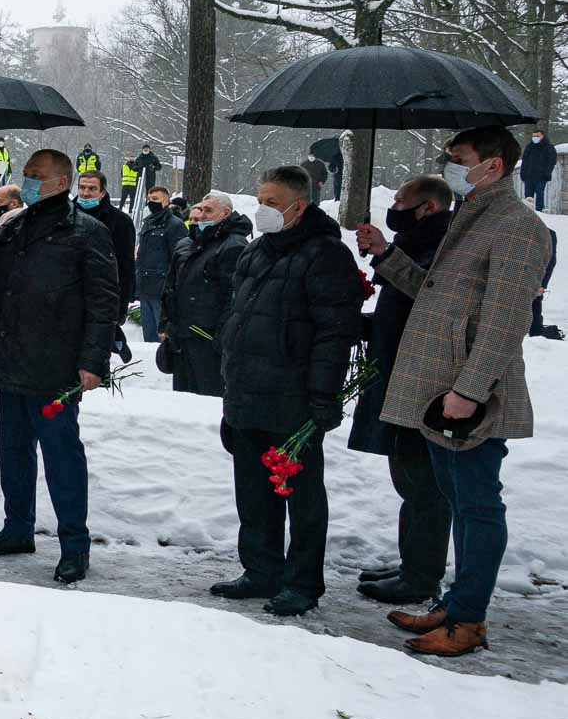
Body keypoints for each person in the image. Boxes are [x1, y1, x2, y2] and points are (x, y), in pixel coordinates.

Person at [357, 126, 553, 657]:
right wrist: (387, 256)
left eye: (459, 159)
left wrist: (468, 390)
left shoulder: (517, 227)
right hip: (436, 388)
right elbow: (437, 296)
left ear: (491, 166)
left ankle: (468, 621)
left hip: (469, 395)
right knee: (456, 501)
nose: (451, 167)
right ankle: (454, 600)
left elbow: (504, 321)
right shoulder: (472, 218)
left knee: (477, 506)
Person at [0, 150, 120, 584]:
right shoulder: (18, 226)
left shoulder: (86, 231)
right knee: (13, 450)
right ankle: (17, 528)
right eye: (24, 174)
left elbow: (104, 302)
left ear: (61, 180)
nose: (26, 181)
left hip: (56, 364)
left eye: (35, 175)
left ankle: (74, 544)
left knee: (62, 455)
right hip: (12, 357)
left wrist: (92, 360)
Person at [214, 165, 364, 617]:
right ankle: (261, 570)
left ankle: (302, 582)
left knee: (300, 496)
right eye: (260, 200)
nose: (263, 210)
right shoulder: (256, 251)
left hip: (293, 398)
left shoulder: (325, 255)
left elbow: (334, 334)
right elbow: (238, 318)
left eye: (273, 203)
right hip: (247, 394)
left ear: (300, 206)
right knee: (253, 493)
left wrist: (323, 399)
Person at [348, 176, 455, 606]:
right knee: (407, 476)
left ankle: (422, 576)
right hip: (394, 370)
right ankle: (412, 563)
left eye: (400, 200)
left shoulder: (445, 242)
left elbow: (429, 294)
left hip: (423, 378)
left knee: (423, 483)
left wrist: (385, 252)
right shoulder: (415, 240)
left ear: (427, 207)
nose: (394, 206)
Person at [159, 192, 249, 397]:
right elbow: (172, 286)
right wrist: (166, 324)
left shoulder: (233, 245)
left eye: (209, 211)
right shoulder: (190, 243)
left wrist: (221, 337)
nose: (202, 215)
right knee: (183, 399)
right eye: (201, 209)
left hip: (208, 340)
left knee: (207, 400)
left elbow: (234, 297)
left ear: (225, 213)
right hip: (182, 337)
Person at [75, 171, 135, 327]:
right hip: (68, 299)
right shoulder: (66, 215)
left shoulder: (120, 221)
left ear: (102, 192)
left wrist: (120, 309)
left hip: (102, 300)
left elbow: (125, 266)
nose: (85, 193)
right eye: (82, 188)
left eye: (92, 188)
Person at [134, 185, 187, 342]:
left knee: (162, 339)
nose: (151, 202)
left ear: (166, 201)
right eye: (149, 199)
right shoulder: (148, 223)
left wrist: (172, 288)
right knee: (148, 339)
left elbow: (179, 259)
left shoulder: (175, 225)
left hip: (162, 290)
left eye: (155, 199)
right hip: (145, 288)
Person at [530, 229, 562, 340]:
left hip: (537, 276)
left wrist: (542, 284)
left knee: (536, 299)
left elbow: (551, 261)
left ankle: (536, 333)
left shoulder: (549, 233)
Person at [520, 128, 556, 212]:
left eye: (537, 136)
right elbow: (524, 161)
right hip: (529, 176)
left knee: (540, 194)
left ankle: (540, 212)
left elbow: (552, 162)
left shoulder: (549, 147)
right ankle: (528, 212)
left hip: (541, 176)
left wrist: (547, 173)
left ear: (542, 136)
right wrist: (523, 173)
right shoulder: (529, 147)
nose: (535, 137)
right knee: (528, 196)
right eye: (533, 136)